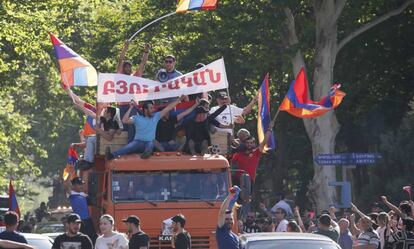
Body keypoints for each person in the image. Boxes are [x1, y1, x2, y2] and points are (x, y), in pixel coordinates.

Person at [106, 95, 187, 160]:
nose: (153, 109)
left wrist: (179, 99)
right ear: (145, 110)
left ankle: (147, 153)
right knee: (128, 147)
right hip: (138, 142)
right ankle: (111, 155)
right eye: (151, 108)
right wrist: (130, 107)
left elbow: (168, 108)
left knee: (151, 144)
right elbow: (124, 120)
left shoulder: (156, 116)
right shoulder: (137, 118)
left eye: (153, 108)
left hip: (149, 142)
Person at [117, 42, 152, 142]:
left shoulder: (135, 77)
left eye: (129, 66)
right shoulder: (120, 76)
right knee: (124, 127)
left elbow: (143, 63)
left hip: (132, 106)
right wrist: (126, 47)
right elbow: (120, 60)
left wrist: (146, 51)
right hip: (122, 106)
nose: (127, 68)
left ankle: (131, 146)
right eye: (125, 66)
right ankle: (126, 148)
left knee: (131, 126)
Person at [64, 176, 97, 244]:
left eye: (82, 184)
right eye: (79, 184)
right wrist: (70, 174)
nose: (81, 186)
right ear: (73, 185)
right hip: (79, 221)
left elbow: (94, 199)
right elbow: (66, 185)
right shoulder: (71, 194)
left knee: (93, 239)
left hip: (88, 220)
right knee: (81, 240)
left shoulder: (83, 194)